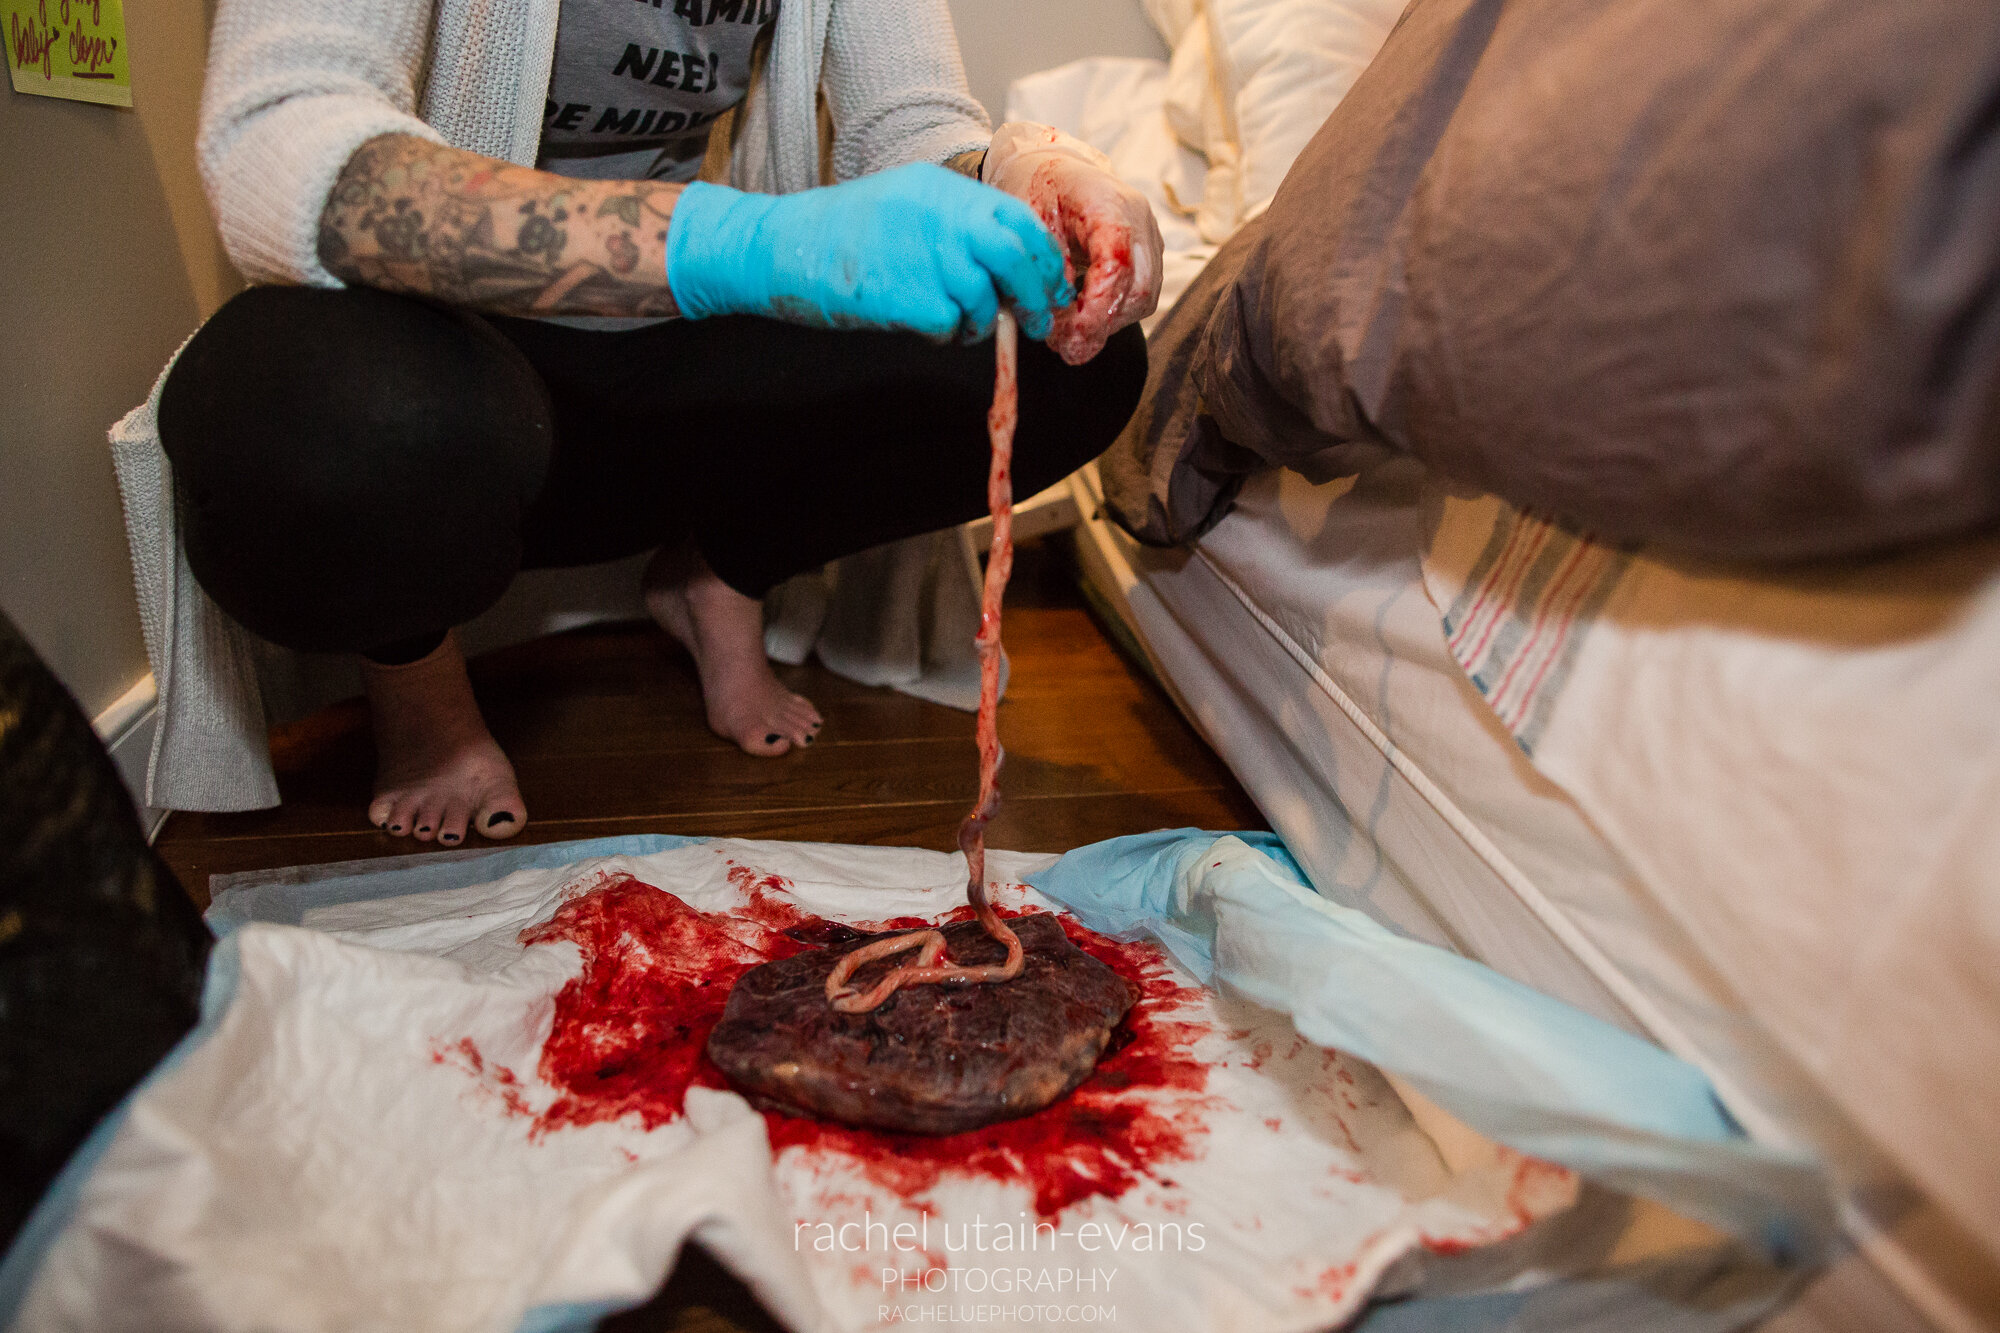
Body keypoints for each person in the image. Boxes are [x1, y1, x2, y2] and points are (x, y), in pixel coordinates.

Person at [155, 0, 1164, 847]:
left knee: (1068, 358)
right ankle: (417, 686)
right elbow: (276, 139)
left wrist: (1029, 184)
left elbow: (908, 120)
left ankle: (717, 574)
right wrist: (742, 242)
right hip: (457, 372)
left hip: (680, 358)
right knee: (315, 417)